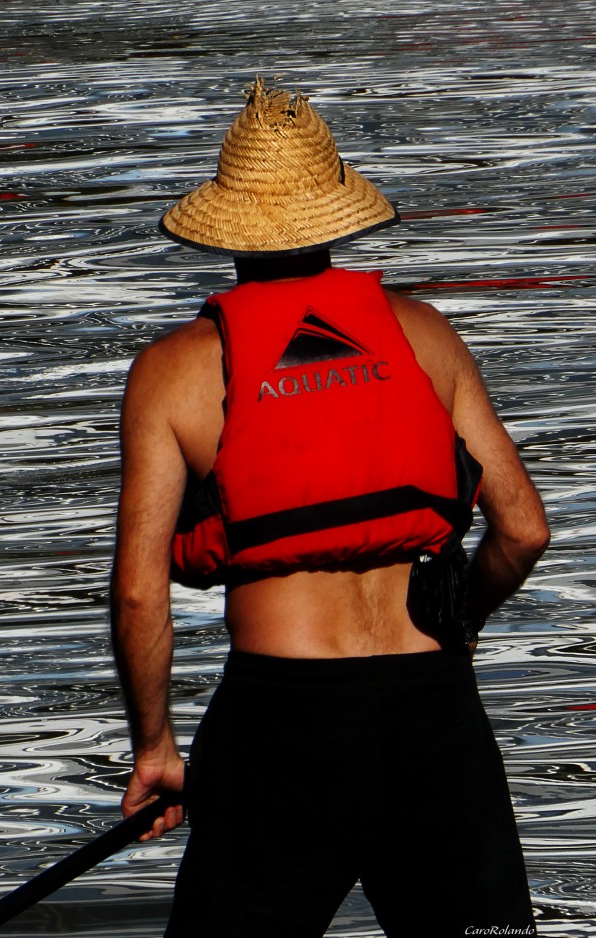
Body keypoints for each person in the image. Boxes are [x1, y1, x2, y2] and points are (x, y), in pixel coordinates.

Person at [110, 78, 549, 937]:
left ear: (225, 226)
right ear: (337, 215)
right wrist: (457, 625)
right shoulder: (424, 332)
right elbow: (525, 529)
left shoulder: (176, 370)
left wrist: (156, 750)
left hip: (284, 722)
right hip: (435, 712)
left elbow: (137, 594)